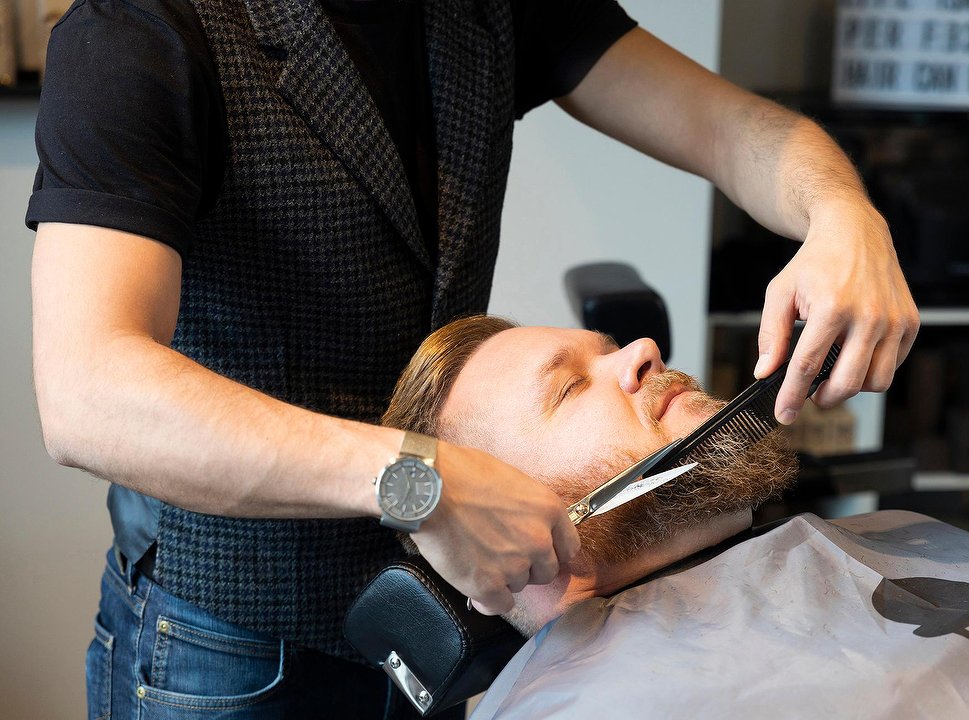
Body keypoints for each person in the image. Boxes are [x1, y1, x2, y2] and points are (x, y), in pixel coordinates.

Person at [27, 0, 918, 717]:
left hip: (474, 620)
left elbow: (734, 132)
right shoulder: (141, 32)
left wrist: (843, 215)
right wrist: (419, 479)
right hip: (238, 641)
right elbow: (88, 392)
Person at [381, 315, 969, 718]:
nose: (641, 351)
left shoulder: (895, 533)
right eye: (569, 386)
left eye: (609, 348)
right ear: (485, 532)